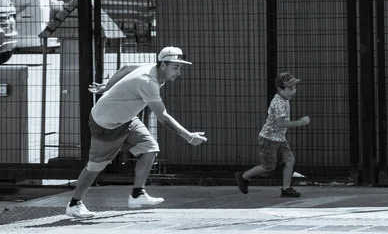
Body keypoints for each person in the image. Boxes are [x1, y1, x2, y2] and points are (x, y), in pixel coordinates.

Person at [66, 46, 208, 218]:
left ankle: (137, 195)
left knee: (150, 148)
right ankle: (74, 204)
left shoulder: (150, 67)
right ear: (163, 65)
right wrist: (189, 136)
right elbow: (162, 117)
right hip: (105, 124)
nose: (178, 72)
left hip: (126, 119)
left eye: (180, 68)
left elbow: (125, 68)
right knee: (96, 167)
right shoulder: (147, 81)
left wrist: (106, 87)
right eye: (176, 67)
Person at [235, 72, 310, 198]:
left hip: (279, 138)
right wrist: (300, 122)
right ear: (280, 89)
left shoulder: (285, 99)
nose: (293, 91)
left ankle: (286, 188)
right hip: (269, 139)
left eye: (295, 88)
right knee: (268, 167)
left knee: (289, 160)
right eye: (290, 88)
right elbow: (281, 123)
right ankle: (243, 176)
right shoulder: (279, 103)